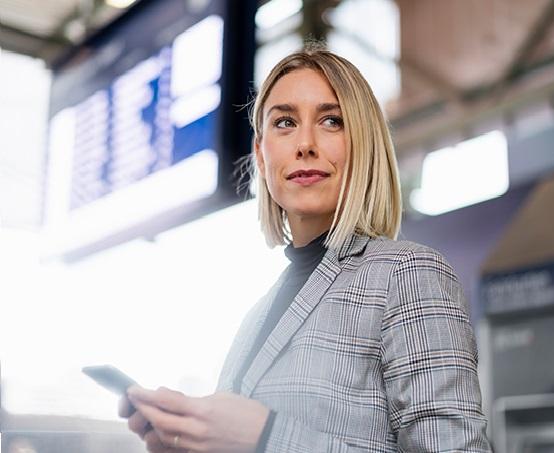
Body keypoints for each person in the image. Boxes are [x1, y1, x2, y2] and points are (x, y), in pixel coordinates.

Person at [119, 44, 492, 452]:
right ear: (261, 156)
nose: (306, 144)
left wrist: (267, 437)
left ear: (363, 145)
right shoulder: (258, 314)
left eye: (331, 121)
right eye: (284, 123)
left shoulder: (407, 274)